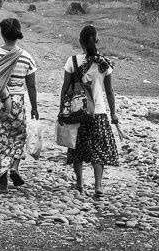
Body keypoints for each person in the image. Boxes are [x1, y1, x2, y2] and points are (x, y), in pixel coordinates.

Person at [58, 25, 119, 198]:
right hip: (98, 112)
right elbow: (109, 91)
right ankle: (98, 186)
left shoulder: (72, 61)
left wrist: (62, 110)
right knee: (98, 149)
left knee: (77, 147)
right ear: (97, 40)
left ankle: (79, 183)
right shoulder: (104, 63)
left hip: (78, 111)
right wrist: (113, 114)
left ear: (80, 41)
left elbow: (65, 89)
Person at [0, 18, 39, 193]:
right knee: (17, 137)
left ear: (2, 33)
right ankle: (14, 167)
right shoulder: (26, 57)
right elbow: (31, 86)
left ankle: (3, 184)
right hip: (16, 103)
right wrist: (34, 107)